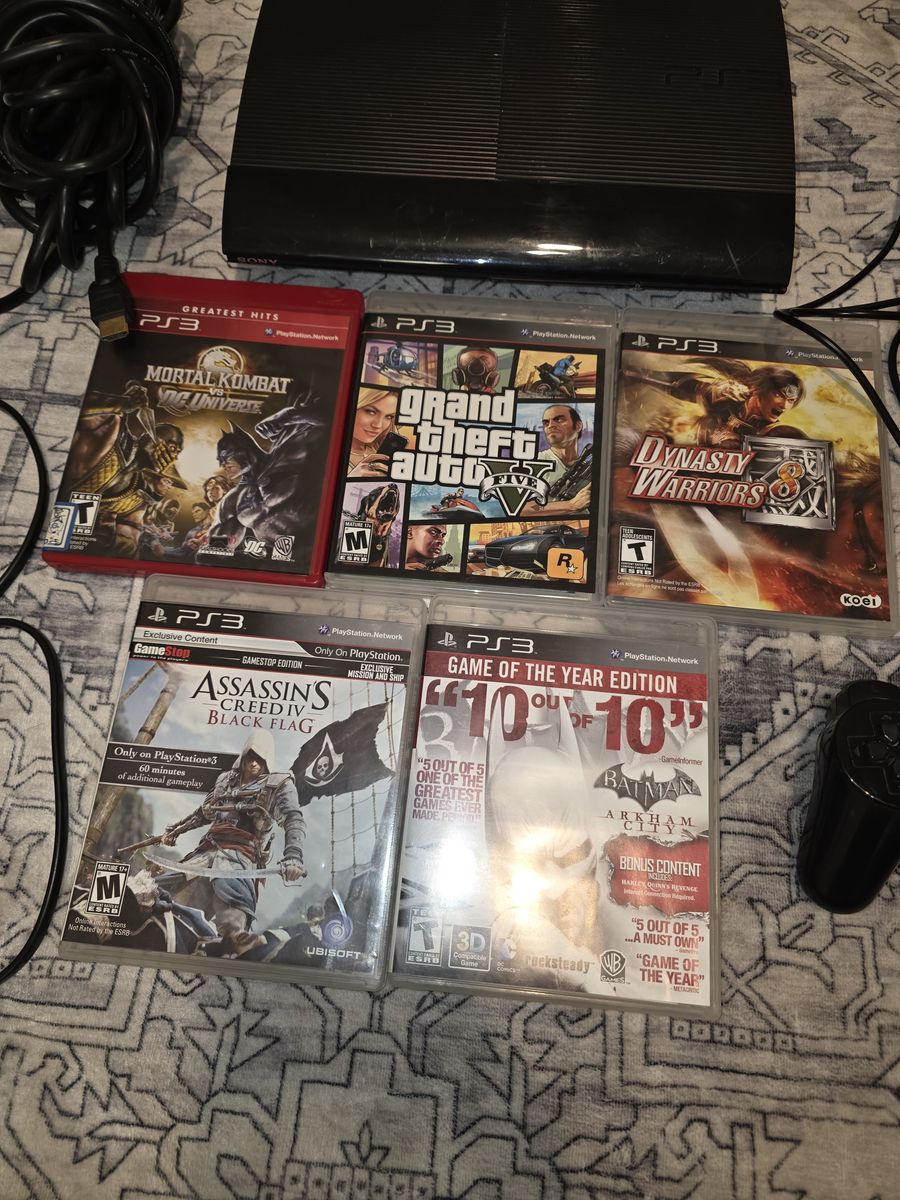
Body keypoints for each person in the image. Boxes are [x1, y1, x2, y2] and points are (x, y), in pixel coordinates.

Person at [152, 731, 306, 940]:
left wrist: (293, 856)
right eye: (250, 756)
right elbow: (205, 812)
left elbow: (293, 818)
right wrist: (176, 830)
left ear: (268, 759)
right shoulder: (225, 780)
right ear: (243, 756)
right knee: (168, 908)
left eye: (260, 758)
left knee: (231, 930)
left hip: (240, 861)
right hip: (205, 854)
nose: (253, 763)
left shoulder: (279, 784)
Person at [521, 404, 591, 517]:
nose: (551, 425)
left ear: (578, 426)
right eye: (546, 423)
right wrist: (570, 505)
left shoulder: (588, 467)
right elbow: (520, 509)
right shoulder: (535, 462)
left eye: (559, 420)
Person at [347, 389, 401, 477]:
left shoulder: (382, 454)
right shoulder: (327, 450)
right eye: (371, 412)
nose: (378, 425)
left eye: (389, 416)